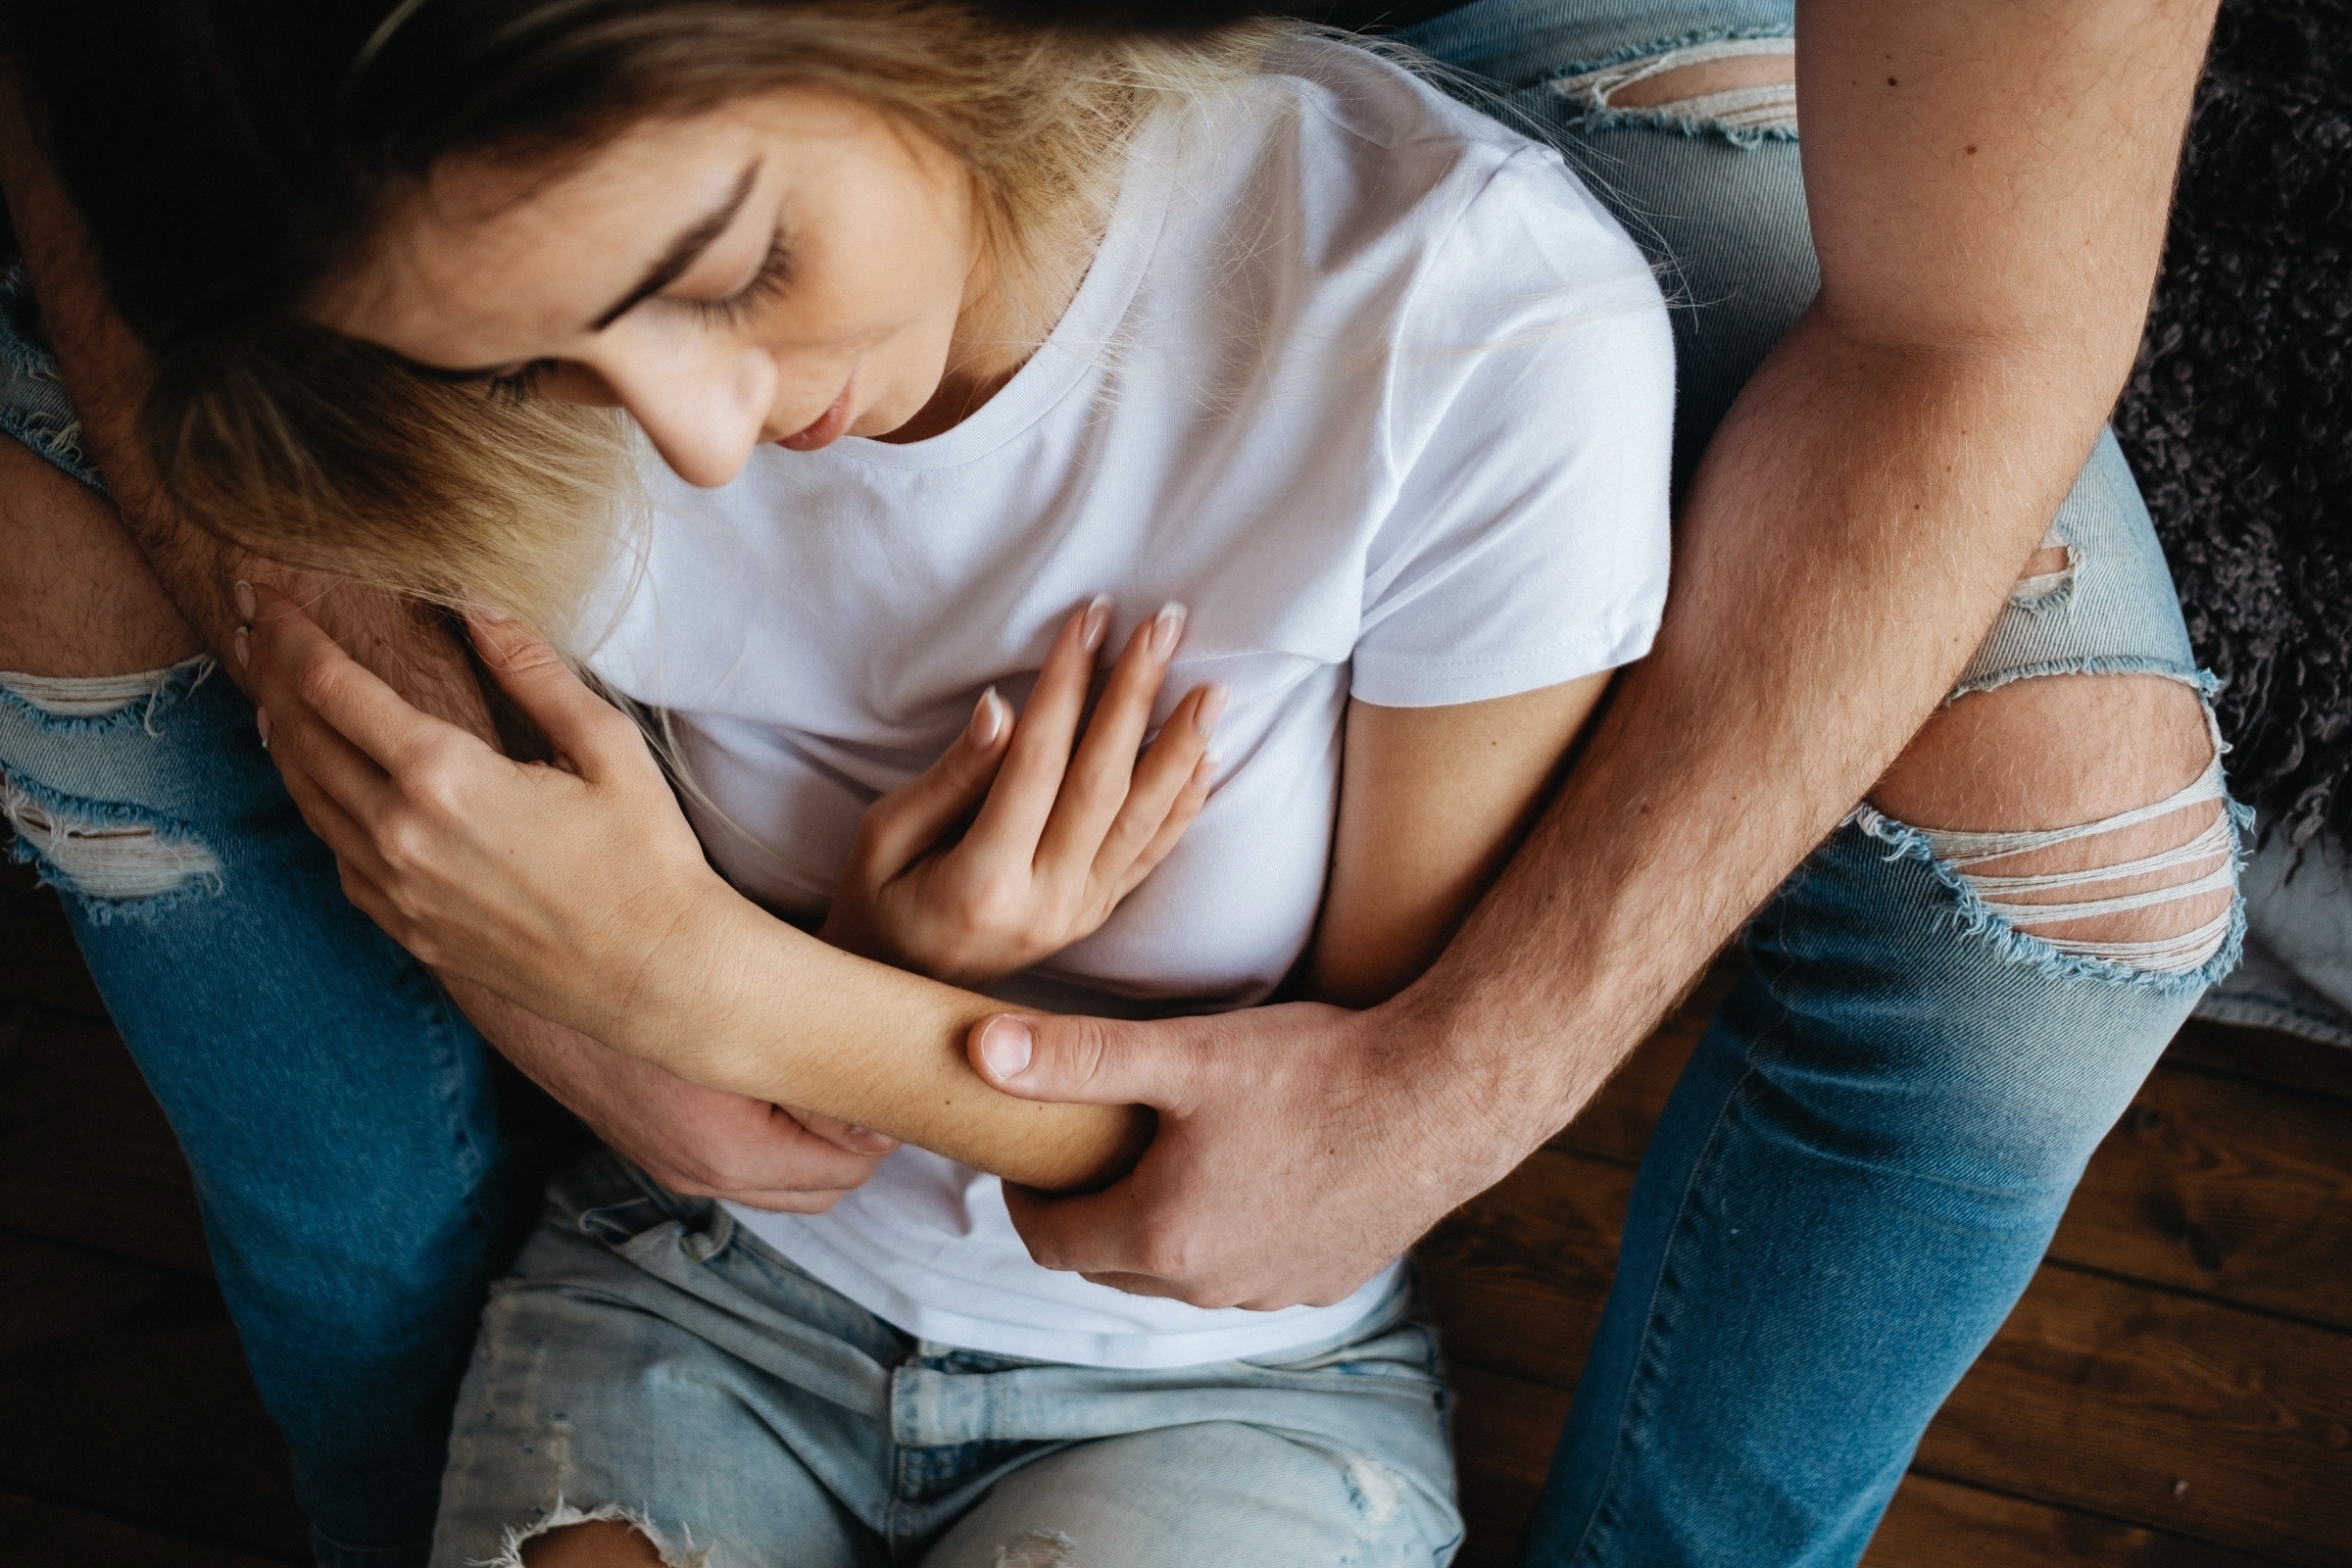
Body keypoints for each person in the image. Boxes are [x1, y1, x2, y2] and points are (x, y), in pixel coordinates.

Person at [0, 0, 2229, 1564]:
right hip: (695, 1288)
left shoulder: (1475, 333)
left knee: (2078, 875)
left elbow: (1289, 1134)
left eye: (730, 277)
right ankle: (385, 1467)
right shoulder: (549, 322)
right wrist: (820, 960)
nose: (682, 434)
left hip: (1202, 1362)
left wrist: (691, 981)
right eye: (527, 363)